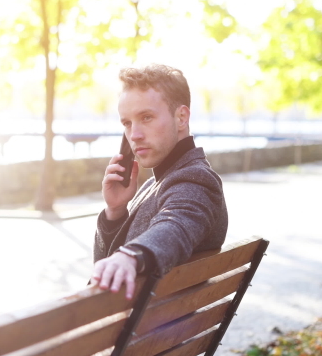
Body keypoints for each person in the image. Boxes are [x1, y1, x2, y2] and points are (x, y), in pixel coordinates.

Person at [91, 64, 228, 299]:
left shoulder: (194, 180)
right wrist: (115, 211)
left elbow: (176, 225)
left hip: (142, 331)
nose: (134, 135)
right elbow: (103, 270)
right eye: (127, 123)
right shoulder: (159, 183)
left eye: (146, 117)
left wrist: (132, 256)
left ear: (181, 117)